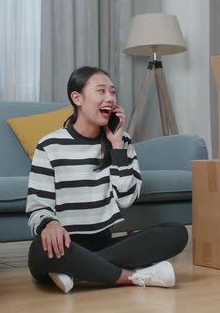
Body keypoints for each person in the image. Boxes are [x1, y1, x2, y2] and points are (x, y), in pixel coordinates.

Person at [26, 66, 188, 293]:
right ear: (77, 98)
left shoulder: (121, 142)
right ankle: (132, 277)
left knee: (176, 233)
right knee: (39, 250)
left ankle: (77, 271)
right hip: (64, 247)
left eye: (112, 92)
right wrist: (49, 223)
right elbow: (38, 207)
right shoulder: (49, 145)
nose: (110, 98)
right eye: (101, 91)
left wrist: (117, 146)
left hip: (103, 243)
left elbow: (125, 200)